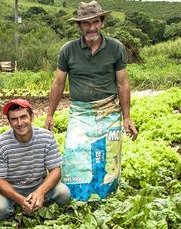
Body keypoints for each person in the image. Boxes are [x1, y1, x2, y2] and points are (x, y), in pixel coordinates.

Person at [45, 0, 138, 201]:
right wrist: (50, 114)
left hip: (109, 112)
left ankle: (106, 200)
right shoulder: (68, 50)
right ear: (79, 26)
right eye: (86, 24)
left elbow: (122, 84)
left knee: (107, 158)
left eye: (95, 22)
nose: (91, 28)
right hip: (80, 112)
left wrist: (127, 117)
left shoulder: (115, 48)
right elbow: (58, 84)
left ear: (102, 22)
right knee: (74, 154)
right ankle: (78, 200)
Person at [0, 99, 71, 221]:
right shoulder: (1, 144)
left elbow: (56, 171)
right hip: (12, 189)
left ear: (31, 116)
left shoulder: (46, 137)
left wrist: (40, 192)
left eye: (23, 117)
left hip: (38, 184)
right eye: (14, 119)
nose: (19, 123)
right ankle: (17, 211)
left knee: (64, 193)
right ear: (9, 122)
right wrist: (20, 199)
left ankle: (37, 204)